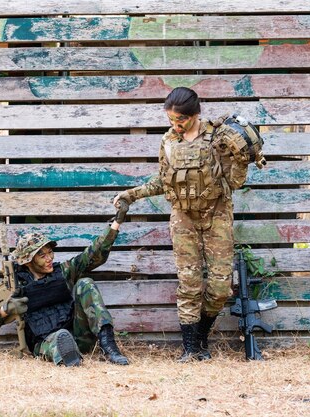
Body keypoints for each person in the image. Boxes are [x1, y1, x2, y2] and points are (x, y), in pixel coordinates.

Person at [113, 87, 251, 361]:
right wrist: (132, 194)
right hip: (183, 217)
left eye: (181, 120)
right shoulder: (168, 141)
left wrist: (242, 159)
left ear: (195, 114)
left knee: (220, 287)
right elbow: (164, 180)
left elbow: (236, 182)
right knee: (189, 284)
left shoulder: (219, 138)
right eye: (171, 120)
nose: (175, 125)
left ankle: (200, 336)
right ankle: (191, 349)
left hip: (216, 215)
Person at [0, 216, 130, 367]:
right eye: (42, 256)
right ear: (28, 261)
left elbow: (92, 256)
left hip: (79, 336)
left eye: (50, 252)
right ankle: (69, 355)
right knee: (60, 337)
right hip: (46, 342)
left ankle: (110, 348)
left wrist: (115, 225)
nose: (49, 258)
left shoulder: (63, 272)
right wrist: (5, 310)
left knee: (86, 283)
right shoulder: (17, 286)